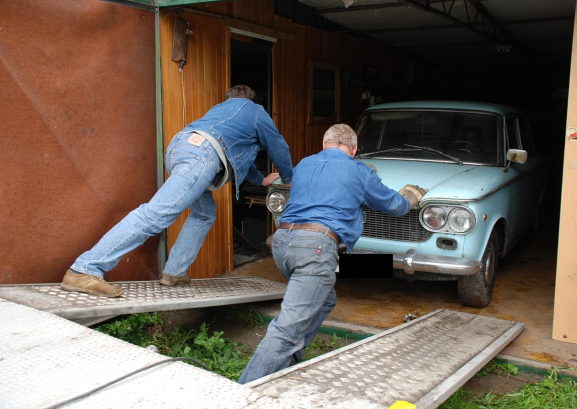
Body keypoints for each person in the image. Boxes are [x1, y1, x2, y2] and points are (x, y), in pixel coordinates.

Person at [61, 85, 294, 297]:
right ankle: (85, 268)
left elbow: (238, 156)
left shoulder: (220, 113)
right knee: (155, 214)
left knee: (204, 213)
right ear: (251, 99)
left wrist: (261, 180)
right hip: (202, 156)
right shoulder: (254, 110)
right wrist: (289, 179)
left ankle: (174, 271)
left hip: (180, 149)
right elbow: (277, 144)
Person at [238, 123, 426, 384]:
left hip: (282, 244)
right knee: (287, 328)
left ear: (324, 145)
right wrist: (410, 198)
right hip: (315, 249)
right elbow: (395, 206)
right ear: (354, 149)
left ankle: (285, 365)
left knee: (325, 300)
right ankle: (244, 392)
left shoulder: (304, 164)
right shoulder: (359, 170)